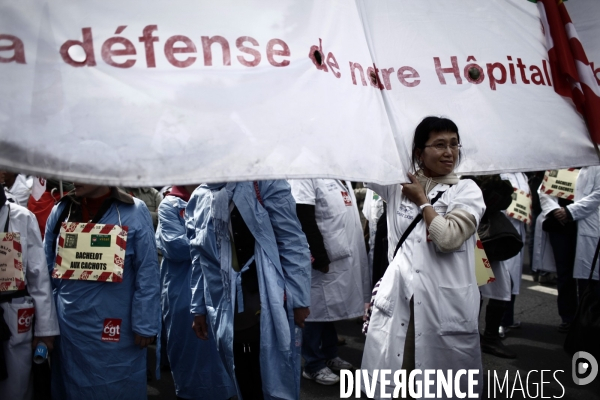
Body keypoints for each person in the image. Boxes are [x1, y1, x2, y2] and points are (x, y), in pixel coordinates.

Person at [362, 116, 485, 397]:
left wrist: (423, 201)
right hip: (401, 301)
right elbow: (364, 159)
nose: (449, 152)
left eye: (454, 144)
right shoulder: (398, 184)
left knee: (438, 387)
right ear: (419, 152)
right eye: (439, 144)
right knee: (399, 380)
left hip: (443, 308)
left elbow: (448, 238)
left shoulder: (467, 190)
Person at [186, 181, 311, 400]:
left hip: (264, 298)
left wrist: (300, 300)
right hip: (222, 306)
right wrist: (198, 308)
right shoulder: (200, 196)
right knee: (240, 371)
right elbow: (199, 258)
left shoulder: (265, 183)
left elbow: (291, 240)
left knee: (270, 372)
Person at [44, 184, 160, 400]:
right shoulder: (61, 210)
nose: (74, 179)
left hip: (116, 328)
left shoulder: (134, 211)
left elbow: (147, 271)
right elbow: (45, 267)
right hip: (70, 328)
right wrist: (45, 324)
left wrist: (145, 323)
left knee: (116, 387)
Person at [156, 185, 235, 399]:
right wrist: (213, 243)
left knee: (220, 345)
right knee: (190, 346)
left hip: (215, 284)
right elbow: (174, 246)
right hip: (181, 288)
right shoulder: (170, 205)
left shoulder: (218, 197)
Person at [289, 178, 370, 385]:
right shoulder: (305, 173)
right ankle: (312, 364)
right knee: (315, 311)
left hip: (341, 255)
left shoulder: (335, 172)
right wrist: (319, 256)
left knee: (329, 309)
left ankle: (329, 354)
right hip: (322, 258)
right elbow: (303, 216)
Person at [0, 183, 60, 400]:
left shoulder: (22, 217)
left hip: (14, 313)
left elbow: (39, 277)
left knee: (16, 387)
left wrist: (45, 330)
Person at [555, 166, 600, 293]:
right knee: (566, 274)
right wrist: (555, 211)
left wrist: (570, 211)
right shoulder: (565, 163)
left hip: (588, 224)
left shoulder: (596, 165)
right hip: (565, 226)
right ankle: (573, 312)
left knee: (590, 280)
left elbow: (598, 194)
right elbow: (546, 189)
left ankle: (588, 312)